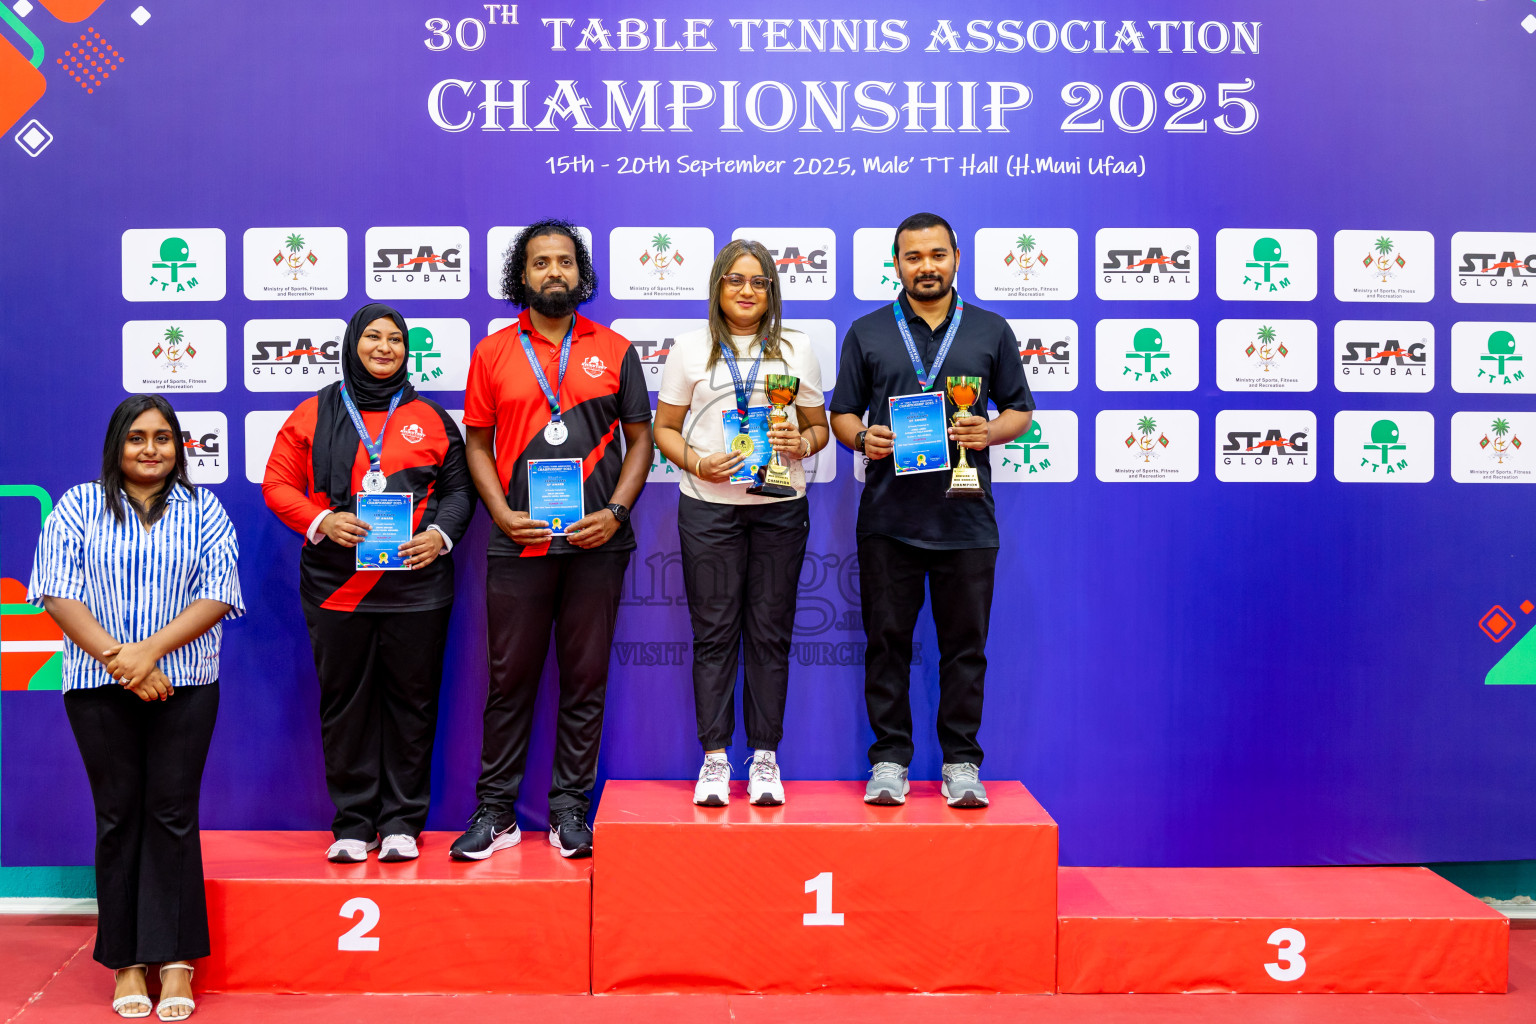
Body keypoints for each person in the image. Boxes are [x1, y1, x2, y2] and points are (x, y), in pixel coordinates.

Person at [29, 395, 243, 1020]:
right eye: (136, 438)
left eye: (163, 438)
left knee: (172, 814)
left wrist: (146, 655)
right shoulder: (77, 506)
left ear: (179, 448)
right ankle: (126, 960)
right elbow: (57, 593)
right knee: (119, 816)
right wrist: (120, 661)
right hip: (98, 685)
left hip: (185, 684)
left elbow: (219, 594)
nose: (150, 449)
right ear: (116, 445)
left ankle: (175, 963)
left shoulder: (205, 509)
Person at [453, 219, 652, 860]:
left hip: (598, 542)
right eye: (541, 263)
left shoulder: (615, 349)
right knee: (509, 681)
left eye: (564, 261)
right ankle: (496, 812)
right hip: (520, 541)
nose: (554, 273)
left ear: (580, 271)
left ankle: (570, 812)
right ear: (523, 274)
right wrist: (502, 515)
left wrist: (617, 512)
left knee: (585, 680)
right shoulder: (492, 353)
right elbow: (476, 445)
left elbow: (641, 439)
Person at [828, 212, 1035, 809]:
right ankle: (889, 760)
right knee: (886, 644)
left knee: (965, 648)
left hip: (966, 519)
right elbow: (843, 412)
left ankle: (961, 764)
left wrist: (987, 430)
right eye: (913, 257)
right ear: (897, 263)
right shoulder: (868, 332)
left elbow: (1020, 410)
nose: (926, 266)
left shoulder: (991, 330)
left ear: (956, 260)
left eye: (937, 255)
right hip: (889, 519)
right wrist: (861, 437)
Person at [263, 303, 476, 863]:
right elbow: (278, 482)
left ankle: (403, 822)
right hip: (337, 586)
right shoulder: (313, 413)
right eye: (373, 337)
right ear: (352, 344)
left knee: (413, 702)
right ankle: (353, 824)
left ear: (409, 352)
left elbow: (459, 491)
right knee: (346, 703)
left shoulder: (431, 417)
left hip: (417, 585)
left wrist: (442, 536)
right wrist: (321, 520)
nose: (385, 348)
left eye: (397, 340)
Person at [653, 239, 828, 806]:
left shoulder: (798, 349)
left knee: (770, 635)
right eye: (735, 280)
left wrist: (799, 441)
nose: (747, 290)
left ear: (771, 289)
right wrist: (698, 461)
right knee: (714, 634)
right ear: (717, 286)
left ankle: (766, 760)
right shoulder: (689, 348)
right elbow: (665, 429)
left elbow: (820, 431)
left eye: (758, 281)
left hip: (779, 507)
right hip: (708, 507)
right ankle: (714, 760)